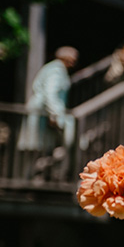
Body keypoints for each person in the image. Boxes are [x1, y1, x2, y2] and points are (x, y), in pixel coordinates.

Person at [18, 46, 79, 176]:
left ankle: (31, 177)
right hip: (42, 112)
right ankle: (28, 178)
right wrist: (55, 115)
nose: (75, 60)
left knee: (40, 149)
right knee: (36, 149)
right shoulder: (57, 70)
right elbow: (50, 93)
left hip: (43, 112)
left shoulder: (54, 67)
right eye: (73, 56)